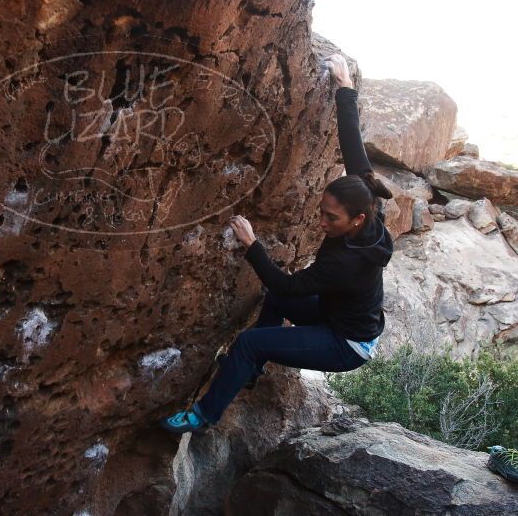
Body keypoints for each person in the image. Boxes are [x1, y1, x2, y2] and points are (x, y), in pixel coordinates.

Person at [160, 53, 395, 434]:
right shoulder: (367, 203)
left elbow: (286, 284)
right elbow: (354, 149)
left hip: (346, 343)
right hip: (339, 315)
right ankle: (247, 372)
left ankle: (202, 416)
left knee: (252, 341)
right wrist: (345, 86)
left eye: (331, 219)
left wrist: (252, 244)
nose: (321, 222)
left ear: (358, 220)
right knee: (274, 306)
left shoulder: (347, 262)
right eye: (322, 210)